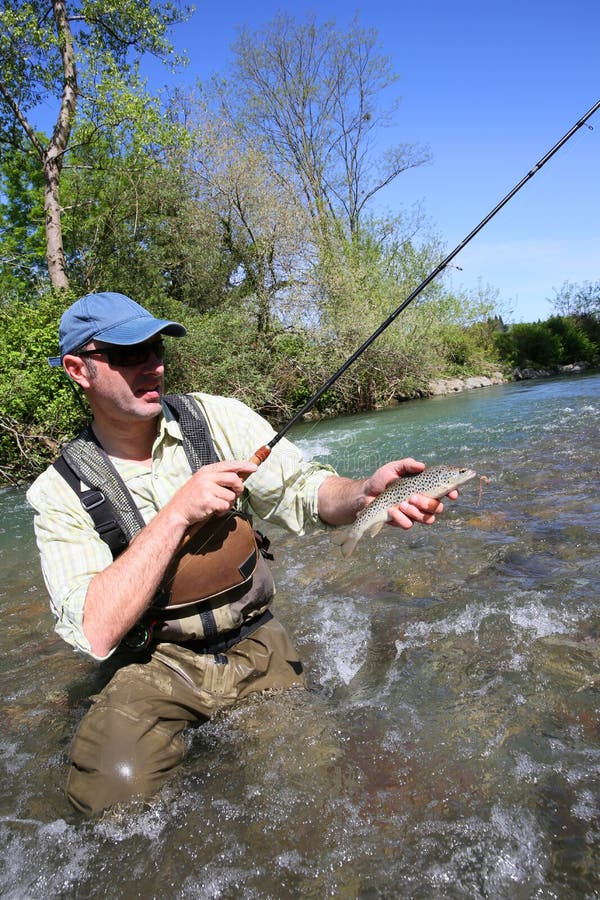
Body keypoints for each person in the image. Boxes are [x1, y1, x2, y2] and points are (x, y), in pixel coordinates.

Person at [27, 291, 458, 815]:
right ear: (79, 369)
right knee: (107, 800)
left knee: (316, 784)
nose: (153, 365)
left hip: (253, 639)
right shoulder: (59, 492)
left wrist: (364, 494)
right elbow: (95, 629)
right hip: (153, 661)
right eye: (128, 354)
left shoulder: (218, 419)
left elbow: (306, 491)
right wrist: (177, 513)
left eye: (157, 348)